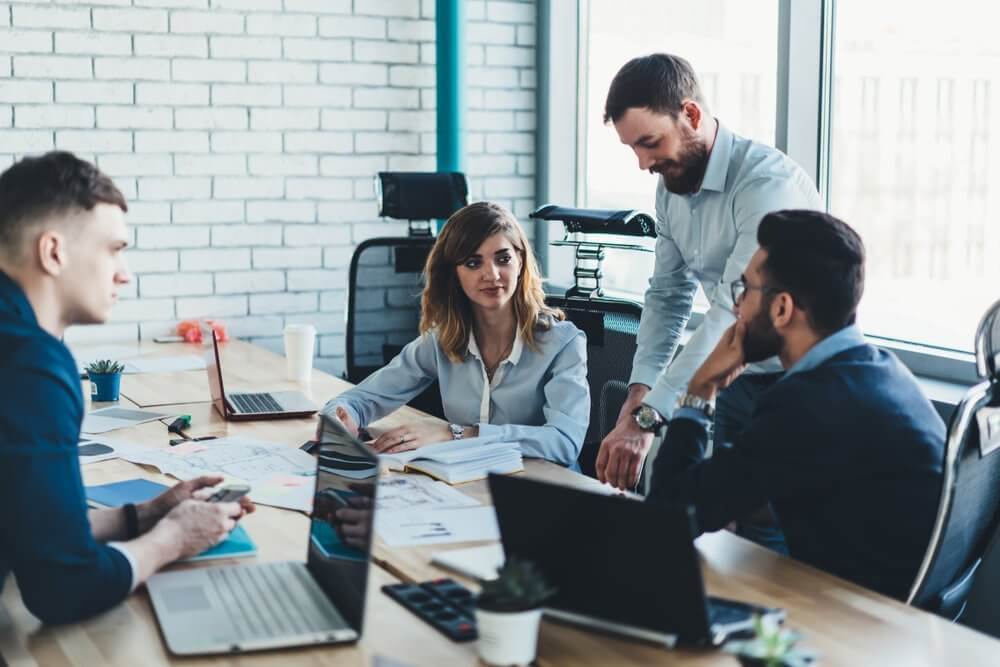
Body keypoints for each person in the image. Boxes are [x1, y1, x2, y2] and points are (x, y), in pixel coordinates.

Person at [0, 152, 254, 624]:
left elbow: (25, 527)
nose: (125, 273)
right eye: (114, 249)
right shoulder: (29, 362)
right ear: (53, 252)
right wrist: (172, 538)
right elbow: (62, 586)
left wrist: (146, 514)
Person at [647, 209, 945, 601]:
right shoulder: (882, 370)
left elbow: (667, 517)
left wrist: (701, 388)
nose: (737, 309)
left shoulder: (808, 404)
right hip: (901, 621)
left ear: (782, 308)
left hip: (855, 631)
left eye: (745, 290)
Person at [596, 54, 824, 512]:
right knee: (732, 528)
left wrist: (647, 419)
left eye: (650, 143)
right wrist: (638, 394)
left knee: (781, 543)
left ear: (691, 115)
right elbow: (666, 296)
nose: (643, 163)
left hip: (800, 386)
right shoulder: (671, 184)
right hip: (734, 381)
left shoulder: (765, 186)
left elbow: (731, 311)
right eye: (632, 149)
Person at [324, 201, 589, 466]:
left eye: (503, 258)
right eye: (473, 263)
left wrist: (458, 434)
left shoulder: (563, 344)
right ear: (454, 274)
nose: (492, 274)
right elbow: (359, 399)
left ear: (520, 261)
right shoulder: (444, 340)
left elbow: (564, 443)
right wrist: (339, 420)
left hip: (546, 490)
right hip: (471, 484)